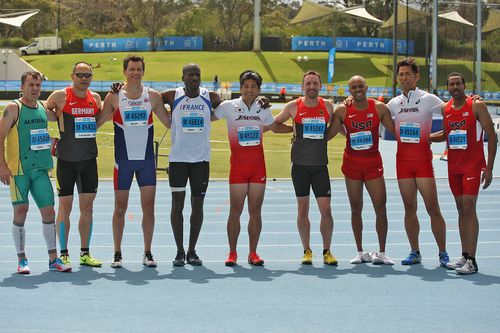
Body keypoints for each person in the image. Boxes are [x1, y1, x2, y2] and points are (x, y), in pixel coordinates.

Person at [98, 55, 171, 268]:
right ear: (125, 71)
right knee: (120, 208)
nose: (135, 73)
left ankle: (147, 252)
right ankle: (117, 253)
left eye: (138, 69)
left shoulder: (153, 96)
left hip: (146, 162)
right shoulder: (114, 96)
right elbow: (97, 122)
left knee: (148, 208)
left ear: (143, 71)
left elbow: (169, 122)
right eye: (131, 69)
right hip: (123, 162)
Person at [214, 70, 292, 266]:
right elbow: (207, 115)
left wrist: (296, 129)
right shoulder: (228, 106)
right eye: (246, 86)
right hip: (238, 168)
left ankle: (253, 253)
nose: (249, 90)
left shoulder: (263, 108)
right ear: (240, 88)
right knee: (235, 210)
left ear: (258, 90)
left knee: (255, 211)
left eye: (253, 87)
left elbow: (275, 127)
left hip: (258, 168)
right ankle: (232, 253)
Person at [0, 71, 71, 273]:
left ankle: (53, 259)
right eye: (31, 85)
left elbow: (60, 114)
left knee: (49, 212)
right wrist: (2, 165)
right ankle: (22, 259)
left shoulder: (42, 108)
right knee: (20, 212)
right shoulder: (14, 108)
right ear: (22, 86)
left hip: (40, 170)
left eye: (38, 85)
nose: (35, 88)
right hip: (19, 171)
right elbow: (0, 136)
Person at [386, 58, 449, 267]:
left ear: (417, 76)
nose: (404, 78)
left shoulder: (429, 99)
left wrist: (436, 136)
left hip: (422, 162)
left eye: (408, 74)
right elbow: (373, 112)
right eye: (401, 74)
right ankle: (415, 251)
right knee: (409, 207)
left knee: (433, 208)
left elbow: (455, 113)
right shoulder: (393, 104)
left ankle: (443, 252)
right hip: (402, 163)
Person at [433, 72, 497, 274]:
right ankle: (464, 255)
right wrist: (425, 137)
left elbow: (492, 136)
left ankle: (472, 260)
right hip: (454, 166)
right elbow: (445, 134)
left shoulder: (476, 105)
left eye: (458, 83)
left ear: (464, 85)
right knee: (461, 210)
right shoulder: (446, 109)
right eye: (451, 84)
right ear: (447, 87)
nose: (455, 87)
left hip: (472, 165)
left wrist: (489, 167)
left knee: (469, 209)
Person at [328, 75, 396, 265]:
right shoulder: (342, 110)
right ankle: (360, 252)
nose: (357, 89)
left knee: (380, 207)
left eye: (360, 86)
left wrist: (424, 134)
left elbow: (396, 130)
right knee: (355, 208)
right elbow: (329, 134)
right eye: (353, 87)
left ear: (367, 88)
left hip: (373, 164)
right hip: (352, 166)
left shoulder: (379, 108)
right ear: (349, 91)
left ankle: (382, 253)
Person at [160, 63, 222, 266]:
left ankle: (192, 251)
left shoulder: (210, 96)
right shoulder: (172, 95)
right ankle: (179, 251)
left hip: (201, 161)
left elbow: (227, 108)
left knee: (198, 205)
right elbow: (149, 100)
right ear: (183, 77)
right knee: (177, 205)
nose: (194, 78)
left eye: (197, 75)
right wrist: (166, 120)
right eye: (190, 75)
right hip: (178, 160)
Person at [274, 71, 338, 266]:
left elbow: (336, 125)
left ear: (320, 86)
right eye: (308, 83)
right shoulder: (294, 106)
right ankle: (307, 250)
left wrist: (326, 138)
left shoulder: (327, 105)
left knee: (326, 210)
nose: (312, 86)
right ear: (303, 87)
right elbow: (275, 124)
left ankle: (327, 251)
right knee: (303, 209)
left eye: (315, 83)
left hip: (320, 167)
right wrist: (292, 130)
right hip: (300, 167)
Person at [44, 62, 103, 269]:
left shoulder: (95, 98)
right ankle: (64, 253)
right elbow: (46, 109)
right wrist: (57, 119)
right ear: (72, 76)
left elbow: (100, 118)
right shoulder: (61, 96)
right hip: (66, 162)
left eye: (88, 75)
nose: (84, 78)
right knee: (65, 207)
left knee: (87, 207)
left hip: (88, 161)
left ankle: (85, 253)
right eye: (80, 74)